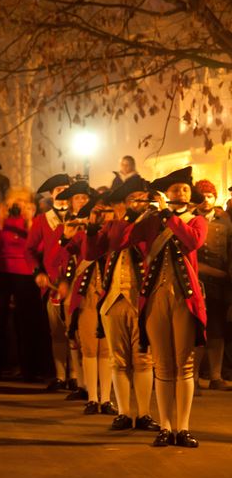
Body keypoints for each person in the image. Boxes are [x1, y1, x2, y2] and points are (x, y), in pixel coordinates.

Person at [130, 167, 207, 447]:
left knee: (184, 364)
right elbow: (129, 239)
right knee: (162, 364)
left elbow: (192, 241)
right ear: (166, 193)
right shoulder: (155, 220)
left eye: (185, 189)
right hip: (155, 297)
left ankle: (182, 428)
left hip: (184, 298)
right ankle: (165, 426)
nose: (181, 193)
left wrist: (168, 216)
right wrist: (142, 211)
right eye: (176, 189)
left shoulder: (196, 220)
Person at [86, 178, 159, 431]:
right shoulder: (115, 225)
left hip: (142, 299)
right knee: (118, 359)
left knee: (143, 358)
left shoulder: (153, 223)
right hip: (113, 299)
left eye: (143, 197)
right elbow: (92, 253)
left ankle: (145, 413)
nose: (140, 202)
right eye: (134, 198)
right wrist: (92, 229)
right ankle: (126, 412)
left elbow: (138, 242)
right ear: (125, 203)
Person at [58, 187, 116, 416]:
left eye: (106, 211)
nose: (102, 215)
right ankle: (92, 397)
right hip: (88, 294)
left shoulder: (119, 232)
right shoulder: (83, 234)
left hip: (110, 293)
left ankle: (106, 399)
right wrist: (65, 235)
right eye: (97, 211)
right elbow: (62, 255)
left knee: (107, 350)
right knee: (90, 349)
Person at [0, 188, 44, 379]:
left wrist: (29, 222)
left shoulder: (33, 221)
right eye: (15, 201)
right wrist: (0, 222)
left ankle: (29, 368)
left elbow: (37, 247)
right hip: (0, 271)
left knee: (26, 321)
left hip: (25, 273)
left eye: (22, 201)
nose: (18, 205)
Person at [27, 174, 77, 392]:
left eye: (66, 188)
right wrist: (38, 272)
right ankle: (60, 375)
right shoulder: (42, 220)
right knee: (56, 332)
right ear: (52, 194)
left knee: (75, 331)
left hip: (78, 281)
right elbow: (29, 250)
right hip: (53, 282)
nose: (63, 193)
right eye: (58, 189)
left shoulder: (80, 217)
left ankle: (76, 375)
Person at [193, 179, 232, 390]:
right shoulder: (190, 219)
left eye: (209, 196)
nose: (206, 200)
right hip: (197, 281)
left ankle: (216, 376)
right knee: (198, 331)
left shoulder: (224, 221)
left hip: (220, 285)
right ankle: (194, 377)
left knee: (217, 331)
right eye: (202, 196)